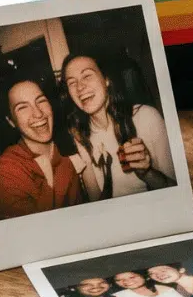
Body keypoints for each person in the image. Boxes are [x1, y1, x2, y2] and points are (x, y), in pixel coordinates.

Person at [60, 53, 175, 200]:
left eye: (87, 76)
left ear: (106, 79)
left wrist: (146, 173)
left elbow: (177, 191)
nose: (80, 87)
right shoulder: (80, 136)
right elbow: (98, 203)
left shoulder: (146, 117)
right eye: (72, 83)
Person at [0, 78, 85, 218]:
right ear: (11, 121)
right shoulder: (5, 171)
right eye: (22, 107)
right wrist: (49, 184)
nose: (38, 113)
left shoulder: (69, 150)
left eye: (41, 100)